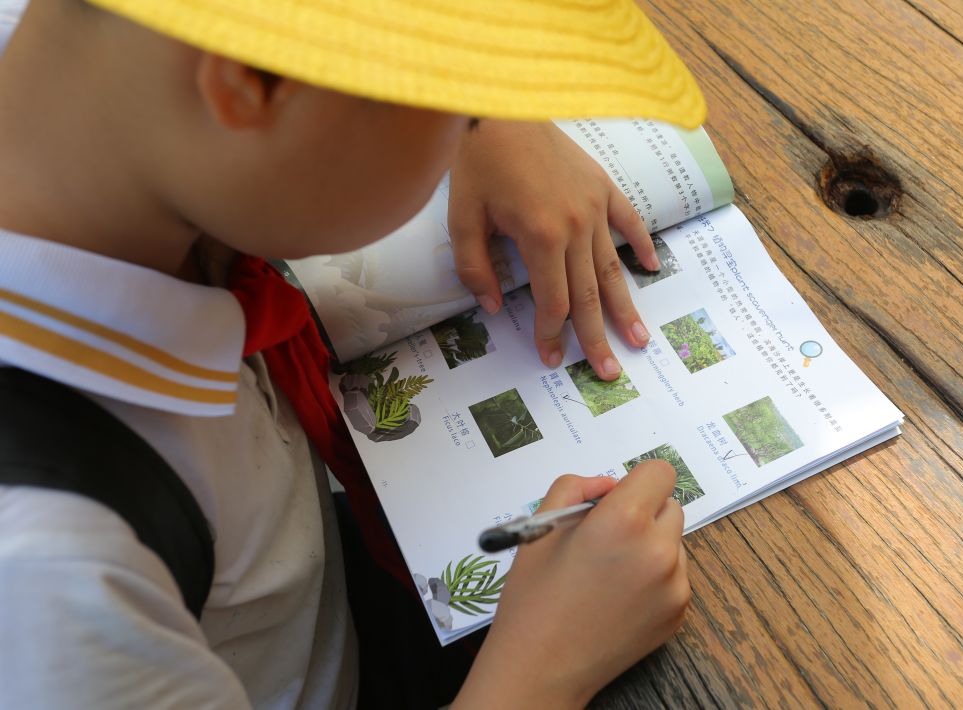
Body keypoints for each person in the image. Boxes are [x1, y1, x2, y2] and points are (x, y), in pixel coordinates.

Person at [0, 0, 706, 707]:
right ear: (253, 78)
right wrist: (544, 670)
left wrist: (496, 130)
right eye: (462, 108)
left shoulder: (71, 71)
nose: (477, 120)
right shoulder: (55, 592)